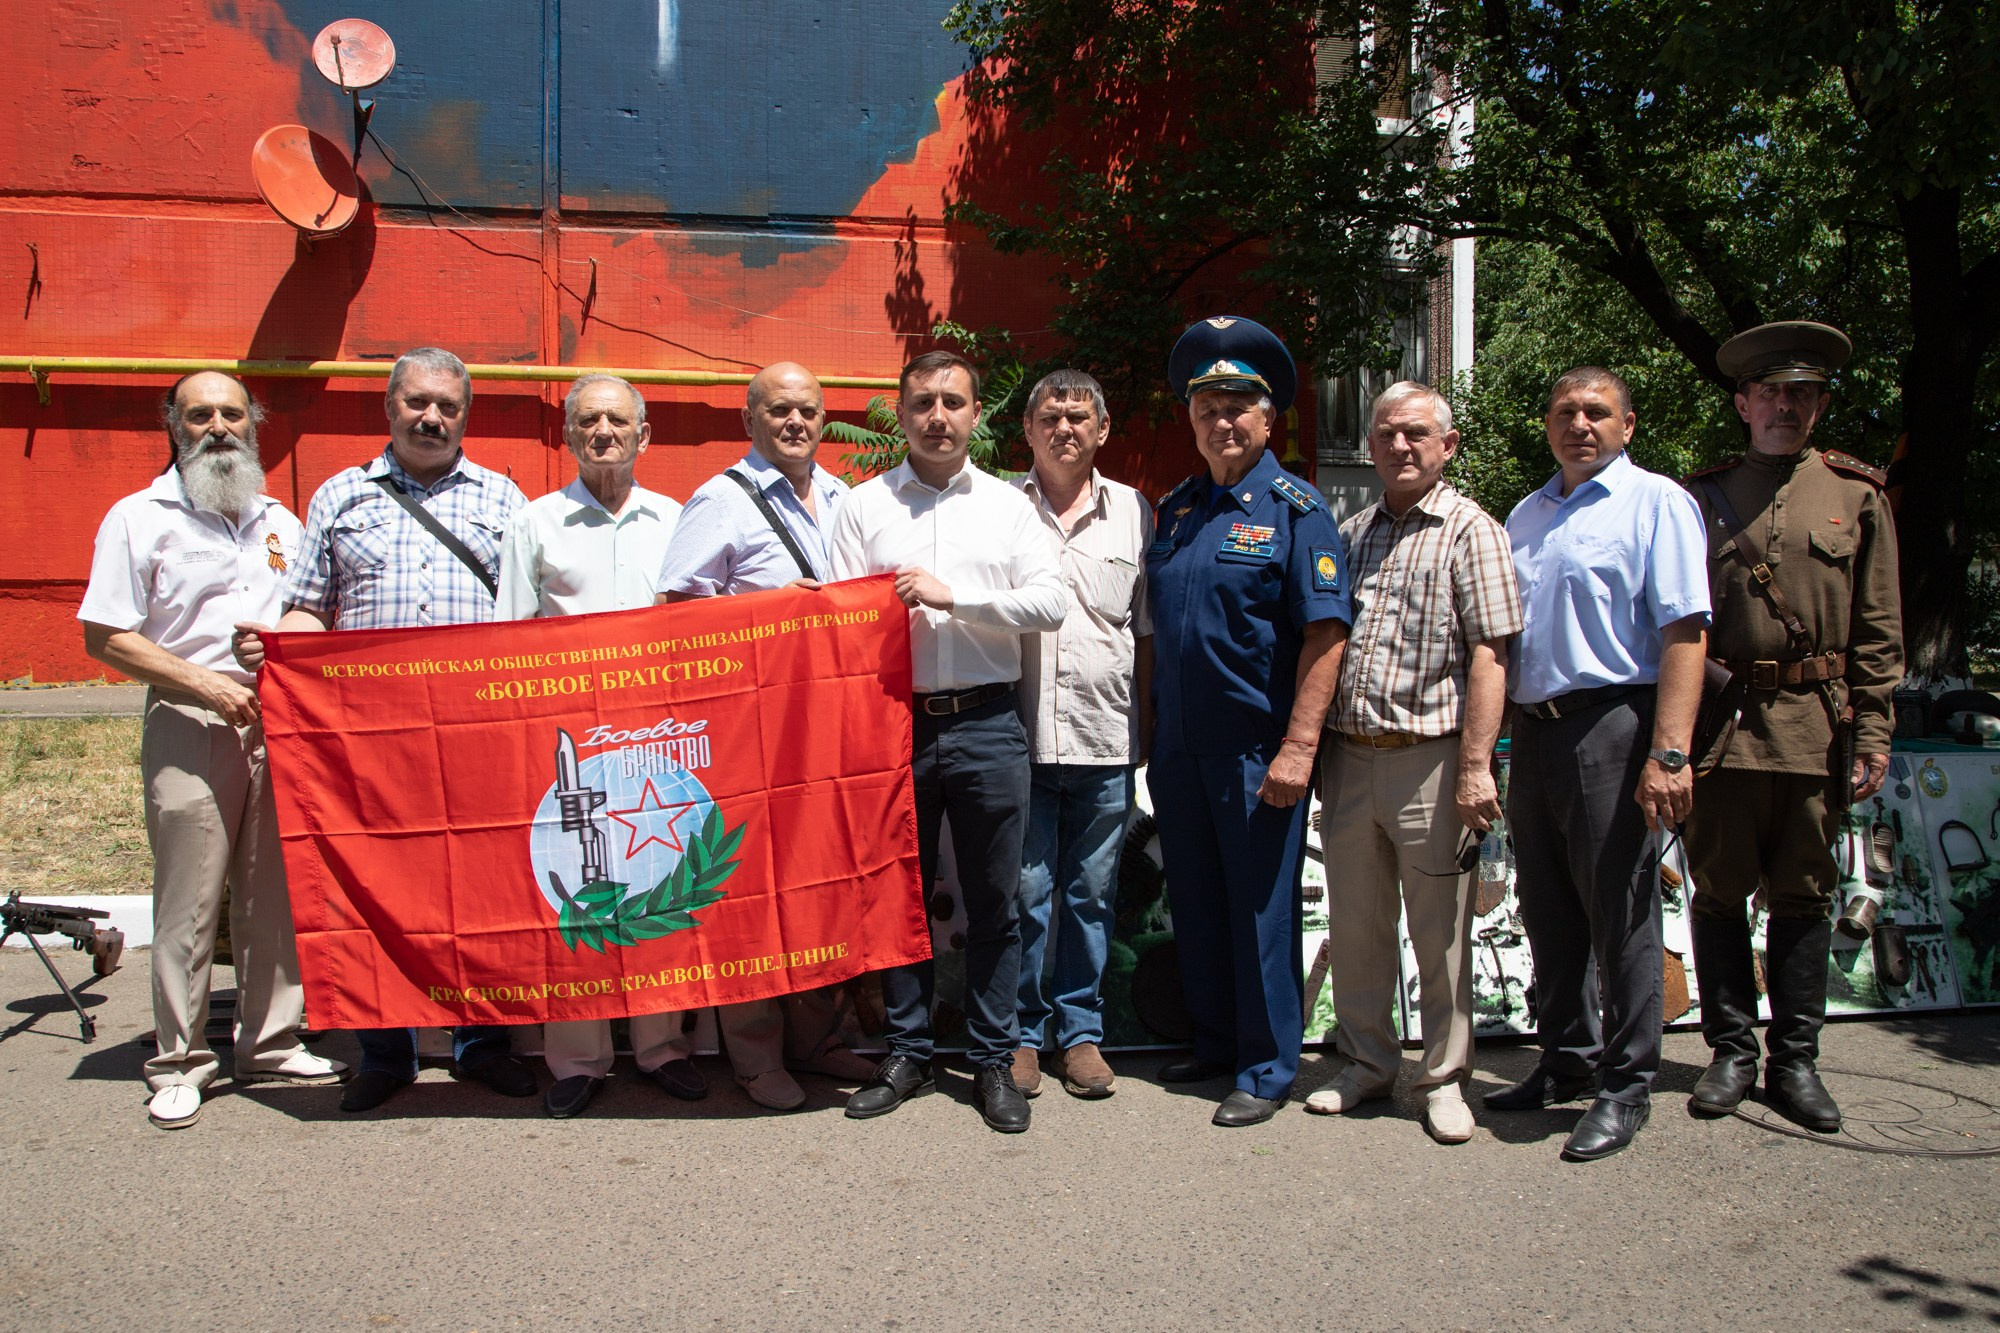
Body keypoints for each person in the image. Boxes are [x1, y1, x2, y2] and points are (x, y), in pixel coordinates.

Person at [233, 347, 537, 1114]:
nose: (432, 417)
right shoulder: (339, 495)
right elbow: (309, 605)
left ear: (466, 415)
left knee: (480, 889)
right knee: (374, 887)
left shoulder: (504, 499)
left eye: (448, 406)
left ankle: (480, 1044)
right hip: (368, 740)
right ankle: (385, 1049)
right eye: (417, 403)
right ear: (389, 407)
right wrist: (280, 649)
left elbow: (530, 617)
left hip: (477, 733)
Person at [79, 371, 347, 1129]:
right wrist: (204, 682)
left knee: (274, 891)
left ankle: (269, 1039)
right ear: (175, 425)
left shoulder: (279, 522)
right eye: (202, 415)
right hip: (189, 720)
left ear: (254, 425)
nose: (220, 428)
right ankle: (179, 1059)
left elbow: (309, 610)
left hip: (277, 722)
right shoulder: (138, 518)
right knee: (192, 899)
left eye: (233, 413)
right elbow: (106, 635)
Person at [828, 349, 1067, 1133]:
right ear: (900, 414)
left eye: (953, 402)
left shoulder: (1008, 507)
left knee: (997, 898)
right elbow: (837, 618)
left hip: (987, 721)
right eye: (923, 402)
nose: (938, 416)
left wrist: (952, 595)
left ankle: (996, 1060)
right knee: (895, 898)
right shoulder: (863, 507)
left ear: (975, 416)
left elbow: (1049, 602)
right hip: (891, 720)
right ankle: (908, 1051)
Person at [1681, 322, 1902, 1132]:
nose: (1784, 405)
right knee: (1718, 891)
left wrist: (1873, 730)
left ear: (1819, 404)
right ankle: (1732, 1049)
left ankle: (1797, 1059)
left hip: (1817, 727)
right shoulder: (1699, 498)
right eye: (1769, 392)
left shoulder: (1857, 496)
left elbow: (1880, 628)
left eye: (1800, 393)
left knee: (1804, 896)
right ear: (1743, 403)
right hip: (1724, 730)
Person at [1489, 366, 1710, 1162]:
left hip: (1614, 724)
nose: (1579, 424)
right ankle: (1567, 1058)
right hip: (1536, 733)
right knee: (1547, 907)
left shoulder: (1656, 503)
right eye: (1564, 411)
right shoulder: (1528, 512)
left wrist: (1670, 751)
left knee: (1620, 911)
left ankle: (1625, 1083)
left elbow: (1685, 631)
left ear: (1628, 423)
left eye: (1596, 412)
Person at [653, 360, 879, 1106]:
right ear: (750, 420)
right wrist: (774, 610)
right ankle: (754, 1054)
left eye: (809, 410)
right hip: (749, 731)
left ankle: (817, 1037)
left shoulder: (846, 498)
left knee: (823, 883)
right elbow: (675, 613)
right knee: (749, 889)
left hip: (829, 728)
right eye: (779, 409)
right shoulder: (720, 499)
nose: (796, 422)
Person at [1146, 316, 1351, 1128]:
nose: (1222, 420)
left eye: (1239, 405)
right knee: (1196, 897)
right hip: (1180, 749)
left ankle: (1267, 1067)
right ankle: (1216, 1036)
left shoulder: (1299, 509)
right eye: (1207, 407)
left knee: (1261, 908)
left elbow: (1326, 633)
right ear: (1190, 420)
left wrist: (1301, 745)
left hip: (1256, 750)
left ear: (1269, 419)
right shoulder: (1179, 510)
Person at [1305, 381, 1521, 1145]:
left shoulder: (1473, 531)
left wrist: (1475, 767)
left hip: (1432, 760)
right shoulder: (1353, 530)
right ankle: (1365, 1062)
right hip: (1352, 758)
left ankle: (1443, 1077)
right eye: (1387, 433)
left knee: (1441, 933)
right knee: (1359, 925)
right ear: (1370, 445)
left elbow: (1492, 656)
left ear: (1447, 445)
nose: (1400, 445)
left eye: (1417, 433)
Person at [493, 373, 688, 1118]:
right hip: (565, 744)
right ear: (568, 436)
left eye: (617, 421)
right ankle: (576, 1057)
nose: (602, 432)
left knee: (655, 885)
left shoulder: (676, 519)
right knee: (571, 892)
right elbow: (509, 635)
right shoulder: (535, 523)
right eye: (587, 422)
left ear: (644, 436)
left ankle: (662, 1046)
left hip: (654, 741)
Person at [1006, 369, 1152, 1101]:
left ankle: (1082, 1032)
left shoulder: (1134, 512)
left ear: (1102, 430)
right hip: (1021, 739)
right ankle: (1023, 1036)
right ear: (1027, 431)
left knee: (1091, 894)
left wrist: (1145, 731)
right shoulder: (998, 508)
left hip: (1105, 740)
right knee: (1026, 893)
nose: (1065, 428)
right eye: (1050, 416)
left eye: (1079, 416)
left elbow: (1145, 633)